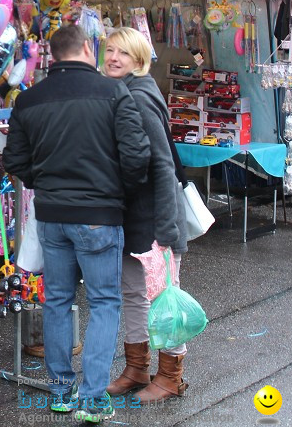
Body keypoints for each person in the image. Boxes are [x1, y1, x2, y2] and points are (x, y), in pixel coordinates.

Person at [3, 23, 151, 423]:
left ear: (52, 56)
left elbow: (14, 161)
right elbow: (138, 156)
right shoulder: (114, 92)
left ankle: (60, 391)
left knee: (58, 302)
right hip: (99, 216)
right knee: (104, 302)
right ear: (88, 48)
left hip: (52, 216)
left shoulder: (29, 99)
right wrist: (115, 191)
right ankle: (91, 397)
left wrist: (45, 183)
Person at [101, 27, 188, 403]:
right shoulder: (123, 93)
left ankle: (171, 376)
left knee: (164, 299)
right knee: (133, 293)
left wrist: (167, 227)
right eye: (109, 51)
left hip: (154, 218)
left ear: (139, 59)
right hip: (131, 216)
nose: (113, 58)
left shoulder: (139, 96)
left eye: (123, 52)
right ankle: (136, 367)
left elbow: (164, 165)